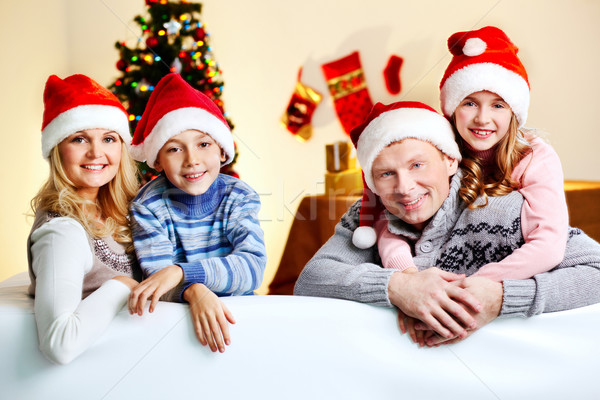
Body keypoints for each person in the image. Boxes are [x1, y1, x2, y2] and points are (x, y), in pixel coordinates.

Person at [294, 101, 600, 347]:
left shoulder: (500, 211)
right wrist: (400, 286)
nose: (405, 188)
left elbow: (595, 273)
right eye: (386, 174)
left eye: (417, 165)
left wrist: (500, 297)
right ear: (371, 182)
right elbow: (310, 281)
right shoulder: (366, 217)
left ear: (449, 161)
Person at [374, 26, 568, 282]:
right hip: (427, 277)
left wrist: (478, 283)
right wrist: (406, 275)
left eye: (498, 105)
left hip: (484, 284)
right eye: (470, 103)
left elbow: (549, 245)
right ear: (452, 108)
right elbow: (390, 221)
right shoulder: (436, 151)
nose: (482, 119)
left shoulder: (534, 158)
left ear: (513, 113)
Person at [128, 73, 266, 353]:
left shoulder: (239, 196)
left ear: (222, 151)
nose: (192, 160)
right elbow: (158, 280)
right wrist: (195, 290)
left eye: (203, 144)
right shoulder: (148, 207)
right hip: (174, 329)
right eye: (175, 149)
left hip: (241, 320)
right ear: (157, 160)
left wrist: (183, 273)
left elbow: (252, 268)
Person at [27, 74, 141, 364]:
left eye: (109, 139)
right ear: (57, 150)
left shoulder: (128, 210)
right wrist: (123, 286)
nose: (96, 152)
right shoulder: (62, 231)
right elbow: (59, 343)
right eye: (79, 139)